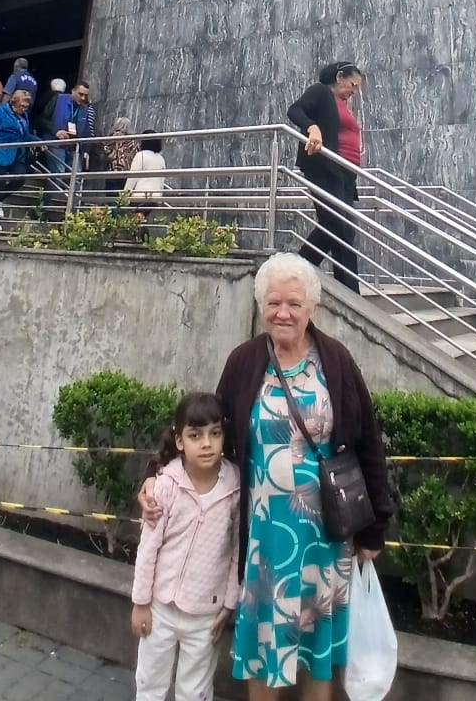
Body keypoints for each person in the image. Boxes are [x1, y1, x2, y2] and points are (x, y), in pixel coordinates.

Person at [140, 253, 393, 699]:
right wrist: (157, 472)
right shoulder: (245, 361)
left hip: (325, 539)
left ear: (312, 307)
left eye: (294, 303)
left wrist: (374, 530)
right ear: (261, 306)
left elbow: (368, 442)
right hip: (264, 542)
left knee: (318, 653)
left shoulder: (336, 361)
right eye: (273, 302)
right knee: (264, 646)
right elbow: (208, 431)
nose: (283, 313)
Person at [130, 392, 240, 701]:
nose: (206, 443)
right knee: (150, 683)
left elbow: (236, 552)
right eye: (195, 435)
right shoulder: (165, 485)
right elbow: (148, 547)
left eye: (214, 434)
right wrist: (141, 602)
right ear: (180, 441)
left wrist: (229, 603)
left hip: (206, 614)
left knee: (194, 691)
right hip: (161, 608)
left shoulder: (234, 488)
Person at [287, 62, 364, 293]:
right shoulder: (321, 92)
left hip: (345, 175)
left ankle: (347, 290)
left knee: (343, 230)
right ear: (340, 77)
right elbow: (295, 110)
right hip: (324, 168)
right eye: (352, 84)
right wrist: (313, 128)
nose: (354, 91)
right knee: (335, 224)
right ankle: (296, 273)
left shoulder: (342, 104)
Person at [0, 89, 41, 232]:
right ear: (14, 102)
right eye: (21, 106)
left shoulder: (24, 117)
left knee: (19, 179)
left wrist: (38, 141)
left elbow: (25, 135)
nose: (23, 109)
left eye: (26, 107)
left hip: (17, 154)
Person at [125, 135, 167, 217]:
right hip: (154, 198)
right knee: (140, 220)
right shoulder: (161, 158)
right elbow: (162, 180)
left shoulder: (141, 155)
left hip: (139, 196)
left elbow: (132, 178)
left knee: (134, 221)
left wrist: (124, 196)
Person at [103, 114, 139, 198]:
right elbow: (136, 155)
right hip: (127, 172)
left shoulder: (111, 139)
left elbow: (106, 153)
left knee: (111, 198)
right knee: (124, 198)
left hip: (113, 171)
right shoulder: (133, 140)